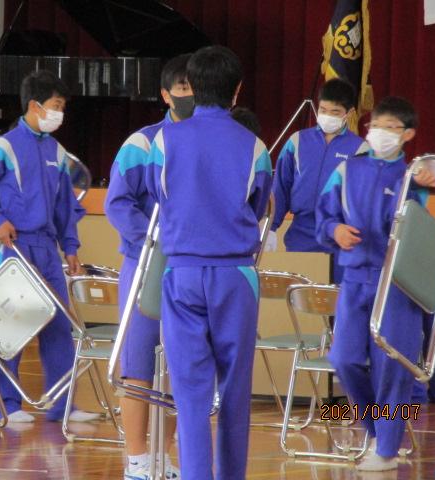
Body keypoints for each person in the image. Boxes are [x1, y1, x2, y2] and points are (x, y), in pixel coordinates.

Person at [145, 45, 272, 480]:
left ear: (192, 89)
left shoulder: (163, 141)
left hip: (181, 272)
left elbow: (160, 196)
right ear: (237, 90)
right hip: (236, 274)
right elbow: (259, 206)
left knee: (189, 392)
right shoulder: (256, 146)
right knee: (235, 389)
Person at [0, 70, 98, 424]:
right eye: (56, 105)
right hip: (14, 245)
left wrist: (71, 247)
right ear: (35, 105)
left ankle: (62, 404)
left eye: (63, 107)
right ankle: (6, 406)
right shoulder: (3, 147)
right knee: (11, 325)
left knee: (59, 324)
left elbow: (65, 206)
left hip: (47, 247)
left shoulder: (58, 151)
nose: (60, 113)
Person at [316, 96, 435, 471]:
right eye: (376, 126)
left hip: (396, 283)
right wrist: (334, 230)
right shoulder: (347, 170)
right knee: (344, 358)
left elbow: (419, 231)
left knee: (392, 369)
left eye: (390, 128)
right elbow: (324, 215)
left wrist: (422, 184)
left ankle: (386, 449)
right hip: (354, 278)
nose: (380, 133)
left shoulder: (413, 177)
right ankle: (376, 430)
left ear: (407, 135)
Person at [105, 53, 193, 480]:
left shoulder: (210, 141)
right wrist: (155, 240)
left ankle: (165, 455)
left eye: (196, 87)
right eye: (182, 88)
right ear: (165, 94)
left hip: (191, 267)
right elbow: (118, 203)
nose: (190, 95)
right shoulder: (141, 143)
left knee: (180, 368)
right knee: (138, 364)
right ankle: (137, 460)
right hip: (146, 264)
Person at [269, 78, 367, 282]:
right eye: (323, 110)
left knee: (335, 298)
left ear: (349, 113)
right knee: (299, 295)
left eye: (335, 112)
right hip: (301, 234)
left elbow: (364, 199)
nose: (327, 116)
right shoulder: (297, 141)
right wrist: (270, 228)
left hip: (340, 237)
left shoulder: (361, 149)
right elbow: (280, 189)